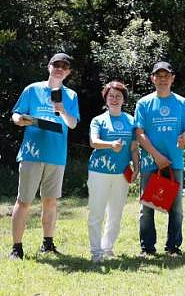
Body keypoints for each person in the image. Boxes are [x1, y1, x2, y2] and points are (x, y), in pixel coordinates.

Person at [9, 53, 80, 260]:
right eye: (56, 64)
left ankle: (47, 244)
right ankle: (17, 248)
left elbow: (73, 124)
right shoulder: (32, 89)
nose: (59, 68)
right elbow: (16, 114)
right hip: (32, 153)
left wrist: (63, 110)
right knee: (24, 201)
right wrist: (19, 120)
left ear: (68, 72)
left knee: (50, 202)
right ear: (49, 67)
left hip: (56, 156)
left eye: (64, 66)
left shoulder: (71, 95)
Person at [135, 61, 185, 257]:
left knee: (176, 207)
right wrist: (156, 156)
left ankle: (173, 247)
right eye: (158, 76)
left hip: (174, 162)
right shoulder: (143, 103)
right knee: (147, 208)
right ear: (152, 78)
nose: (162, 79)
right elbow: (140, 134)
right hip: (151, 162)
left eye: (166, 76)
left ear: (172, 78)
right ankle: (147, 248)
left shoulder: (182, 103)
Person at [87, 80, 139, 262]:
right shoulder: (98, 120)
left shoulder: (131, 121)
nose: (114, 99)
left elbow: (133, 148)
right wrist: (110, 145)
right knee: (97, 213)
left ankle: (107, 247)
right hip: (99, 172)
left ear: (124, 99)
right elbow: (93, 142)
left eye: (118, 96)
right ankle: (96, 252)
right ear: (106, 99)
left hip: (121, 173)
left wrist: (137, 166)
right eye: (111, 96)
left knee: (115, 214)